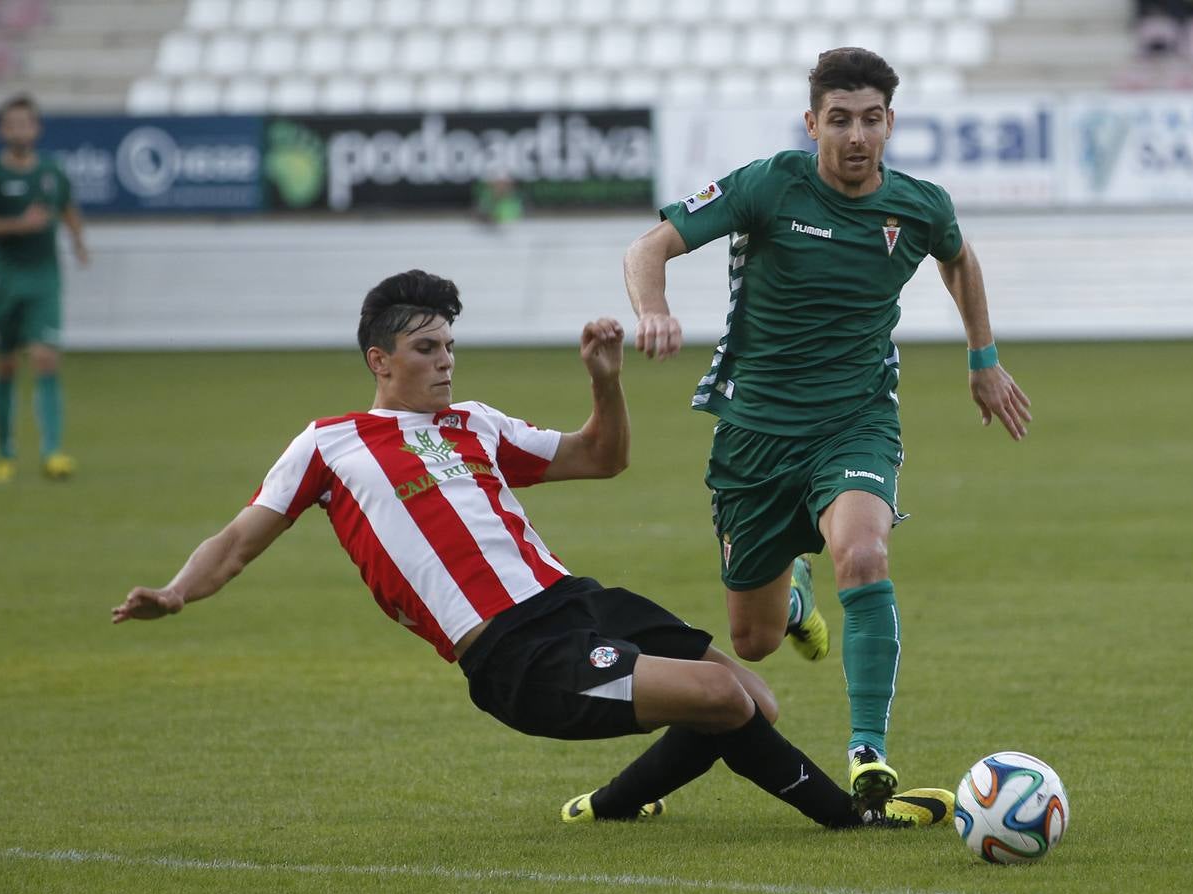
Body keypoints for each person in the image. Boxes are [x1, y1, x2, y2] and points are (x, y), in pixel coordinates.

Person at [111, 269, 954, 830]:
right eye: (424, 349)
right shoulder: (329, 445)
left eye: (448, 346)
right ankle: (853, 822)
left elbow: (602, 457)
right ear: (380, 359)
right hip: (511, 650)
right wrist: (179, 592)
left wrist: (604, 382)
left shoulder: (475, 423)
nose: (444, 362)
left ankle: (615, 809)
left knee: (751, 699)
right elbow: (236, 540)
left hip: (574, 600)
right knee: (719, 700)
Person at [622, 47, 1032, 814]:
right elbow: (650, 246)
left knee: (864, 552)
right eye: (838, 120)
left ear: (889, 124)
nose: (854, 136)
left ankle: (867, 752)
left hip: (856, 422)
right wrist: (652, 306)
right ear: (811, 123)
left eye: (870, 120)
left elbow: (958, 256)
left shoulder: (917, 204)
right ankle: (795, 600)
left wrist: (984, 357)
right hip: (753, 437)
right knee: (752, 642)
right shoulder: (768, 185)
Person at [0, 93, 89, 485]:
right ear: (2, 130)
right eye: (12, 124)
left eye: (26, 123)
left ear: (37, 128)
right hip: (5, 278)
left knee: (46, 358)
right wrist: (19, 225)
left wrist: (78, 241)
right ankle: (5, 453)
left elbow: (66, 206)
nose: (20, 130)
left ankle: (52, 452)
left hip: (44, 277)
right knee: (5, 364)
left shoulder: (52, 170)